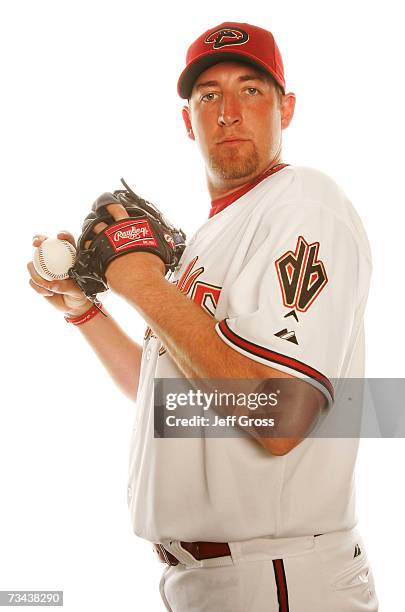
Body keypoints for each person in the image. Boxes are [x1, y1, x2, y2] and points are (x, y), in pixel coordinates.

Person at [27, 21, 379, 612]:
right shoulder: (210, 238)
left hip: (279, 579)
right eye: (208, 96)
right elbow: (171, 399)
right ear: (187, 119)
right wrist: (86, 311)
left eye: (251, 89)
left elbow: (281, 414)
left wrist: (138, 281)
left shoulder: (305, 201)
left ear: (285, 109)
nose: (229, 112)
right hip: (213, 580)